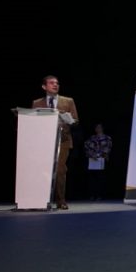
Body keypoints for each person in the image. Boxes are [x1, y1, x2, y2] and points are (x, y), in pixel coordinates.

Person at [32, 75, 78, 210]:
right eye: (51, 83)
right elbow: (33, 121)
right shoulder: (37, 103)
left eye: (57, 83)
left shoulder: (68, 101)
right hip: (43, 141)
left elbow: (76, 120)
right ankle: (41, 199)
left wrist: (68, 120)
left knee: (60, 170)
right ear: (44, 87)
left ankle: (60, 200)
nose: (55, 85)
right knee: (43, 170)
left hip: (62, 140)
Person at [84, 123, 112, 200]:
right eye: (96, 127)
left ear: (102, 128)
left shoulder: (107, 138)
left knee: (101, 178)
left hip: (102, 159)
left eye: (99, 127)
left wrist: (99, 155)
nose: (98, 129)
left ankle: (100, 195)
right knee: (92, 179)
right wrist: (92, 155)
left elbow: (108, 148)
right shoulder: (92, 138)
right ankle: (92, 195)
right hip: (92, 159)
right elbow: (86, 146)